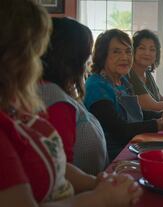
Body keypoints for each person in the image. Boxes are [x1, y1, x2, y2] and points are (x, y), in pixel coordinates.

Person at [0, 0, 141, 206]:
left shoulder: (13, 107)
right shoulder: (55, 99)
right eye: (35, 52)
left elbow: (56, 163)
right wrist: (101, 198)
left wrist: (96, 183)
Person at [84, 29, 163, 160]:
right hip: (113, 156)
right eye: (116, 52)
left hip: (132, 145)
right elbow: (120, 130)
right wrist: (162, 123)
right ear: (102, 55)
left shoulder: (123, 81)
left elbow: (137, 113)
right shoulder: (96, 86)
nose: (124, 57)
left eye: (128, 51)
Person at [39, 17, 108, 175]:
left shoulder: (62, 90)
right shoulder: (55, 100)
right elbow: (61, 173)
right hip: (81, 195)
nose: (88, 62)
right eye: (86, 56)